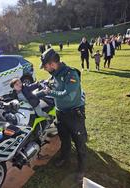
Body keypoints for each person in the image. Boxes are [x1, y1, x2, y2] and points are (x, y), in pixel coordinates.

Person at [40, 48, 87, 184]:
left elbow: (67, 93)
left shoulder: (70, 74)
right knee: (64, 139)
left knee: (79, 143)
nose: (45, 69)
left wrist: (50, 92)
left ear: (52, 63)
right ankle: (65, 158)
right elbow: (52, 84)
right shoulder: (55, 74)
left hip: (74, 114)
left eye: (45, 66)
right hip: (61, 113)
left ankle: (81, 169)